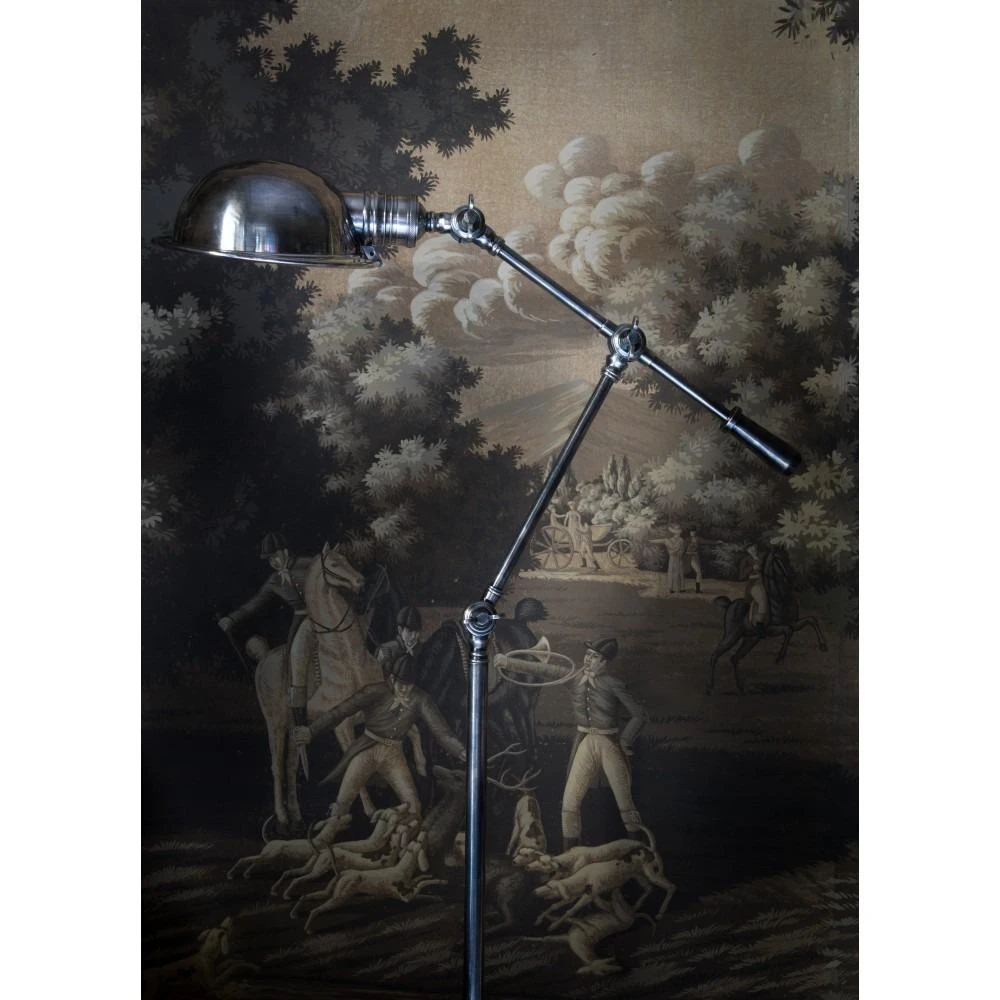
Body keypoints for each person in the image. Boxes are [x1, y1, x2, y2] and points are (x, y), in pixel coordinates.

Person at [293, 653, 466, 839]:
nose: (405, 690)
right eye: (401, 685)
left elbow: (442, 732)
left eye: (409, 686)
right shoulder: (374, 691)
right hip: (367, 750)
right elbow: (341, 711)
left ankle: (398, 847)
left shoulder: (421, 699)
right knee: (341, 805)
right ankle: (322, 843)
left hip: (394, 755)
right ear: (392, 679)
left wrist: (462, 752)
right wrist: (311, 731)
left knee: (413, 808)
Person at [218, 532, 314, 725]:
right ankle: (299, 709)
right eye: (269, 560)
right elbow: (255, 603)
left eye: (275, 556)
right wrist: (231, 618)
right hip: (300, 620)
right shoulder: (274, 580)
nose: (273, 562)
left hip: (325, 614)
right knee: (293, 659)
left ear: (285, 551)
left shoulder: (309, 564)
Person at [560, 637, 647, 851]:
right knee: (569, 804)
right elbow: (546, 670)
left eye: (594, 656)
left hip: (609, 744)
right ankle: (569, 857)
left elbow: (639, 715)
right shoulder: (575, 677)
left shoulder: (613, 684)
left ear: (604, 662)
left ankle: (638, 854)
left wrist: (625, 741)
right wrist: (508, 662)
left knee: (625, 803)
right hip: (585, 743)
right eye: (587, 654)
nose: (588, 659)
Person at [375, 606, 424, 680]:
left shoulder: (421, 650)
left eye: (417, 632)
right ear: (400, 630)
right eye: (410, 631)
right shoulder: (386, 650)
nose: (414, 636)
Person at [565, 501, 599, 571]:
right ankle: (584, 563)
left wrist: (578, 531)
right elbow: (581, 528)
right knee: (581, 552)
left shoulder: (587, 527)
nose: (584, 523)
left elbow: (584, 532)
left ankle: (597, 566)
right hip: (584, 541)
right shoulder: (583, 526)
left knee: (590, 553)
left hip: (587, 542)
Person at [743, 543, 770, 632]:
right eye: (750, 549)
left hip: (764, 583)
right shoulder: (746, 560)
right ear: (747, 550)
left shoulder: (761, 559)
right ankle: (759, 625)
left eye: (754, 548)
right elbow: (741, 575)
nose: (753, 550)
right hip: (753, 584)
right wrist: (752, 568)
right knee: (762, 600)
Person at [663, 523, 686, 593]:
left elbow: (682, 549)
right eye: (676, 531)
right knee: (671, 571)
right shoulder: (670, 540)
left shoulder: (681, 540)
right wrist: (674, 551)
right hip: (672, 557)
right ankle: (671, 588)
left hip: (678, 558)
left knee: (679, 572)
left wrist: (680, 553)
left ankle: (679, 588)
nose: (678, 533)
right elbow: (670, 550)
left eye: (678, 531)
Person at [685, 528, 703, 594]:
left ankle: (697, 589)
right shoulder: (687, 539)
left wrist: (716, 542)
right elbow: (683, 547)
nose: (692, 533)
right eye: (691, 532)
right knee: (698, 572)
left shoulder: (698, 539)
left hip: (696, 557)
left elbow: (706, 541)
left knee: (699, 572)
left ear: (695, 532)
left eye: (693, 532)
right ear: (689, 532)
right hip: (688, 557)